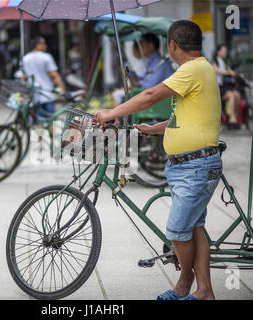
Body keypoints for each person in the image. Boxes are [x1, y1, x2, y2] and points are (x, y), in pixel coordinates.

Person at [96, 20, 222, 300]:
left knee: (177, 230)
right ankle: (204, 292)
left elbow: (150, 95)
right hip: (186, 165)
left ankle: (185, 280)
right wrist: (153, 129)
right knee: (193, 227)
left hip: (195, 166)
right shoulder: (199, 68)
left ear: (172, 45)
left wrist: (111, 113)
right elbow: (185, 117)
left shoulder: (192, 69)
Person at [23, 36, 66, 121]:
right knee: (51, 121)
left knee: (38, 122)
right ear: (37, 45)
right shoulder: (46, 57)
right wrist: (63, 90)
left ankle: (40, 134)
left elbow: (23, 76)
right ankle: (53, 134)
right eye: (44, 43)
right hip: (47, 94)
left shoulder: (25, 58)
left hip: (34, 95)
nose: (46, 46)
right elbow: (54, 75)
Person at [212, 44, 240, 129]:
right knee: (231, 95)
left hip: (223, 86)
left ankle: (235, 116)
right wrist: (228, 73)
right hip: (216, 88)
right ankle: (232, 119)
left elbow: (230, 70)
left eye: (226, 51)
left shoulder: (224, 62)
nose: (225, 53)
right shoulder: (215, 61)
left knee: (236, 94)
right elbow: (216, 70)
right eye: (223, 51)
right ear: (218, 52)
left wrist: (235, 74)